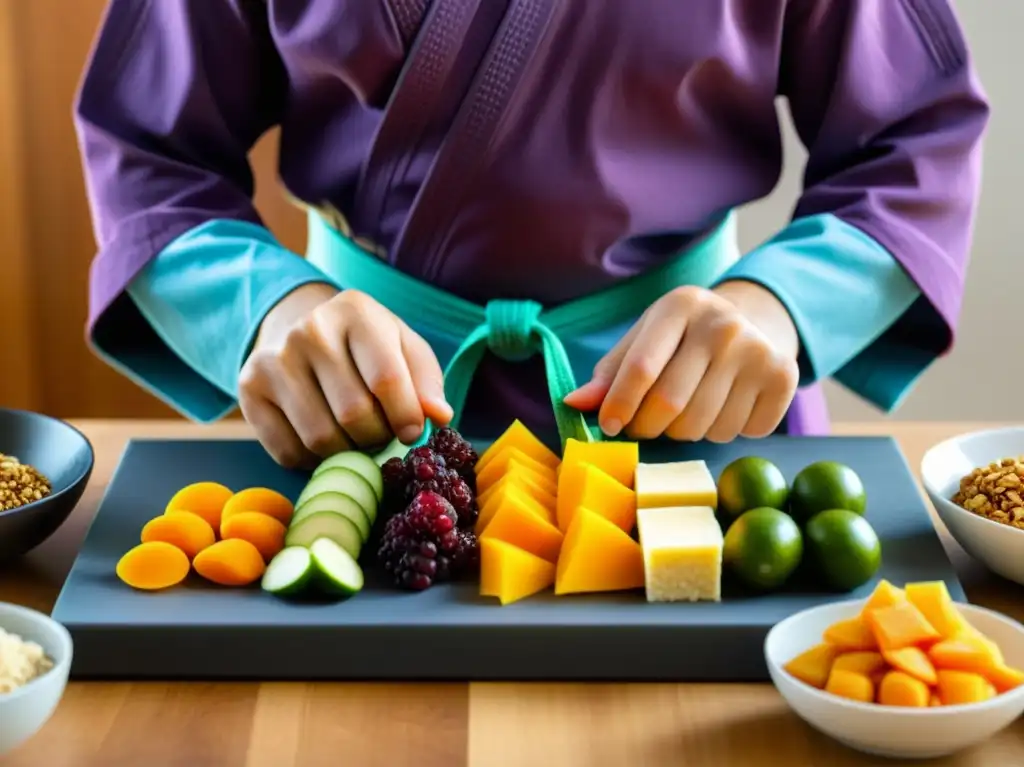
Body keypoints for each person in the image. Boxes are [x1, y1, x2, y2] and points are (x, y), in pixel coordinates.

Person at [76, 0, 988, 468]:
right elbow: (150, 154)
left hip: (698, 407)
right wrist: (269, 310)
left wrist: (778, 305)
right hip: (361, 415)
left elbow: (914, 136)